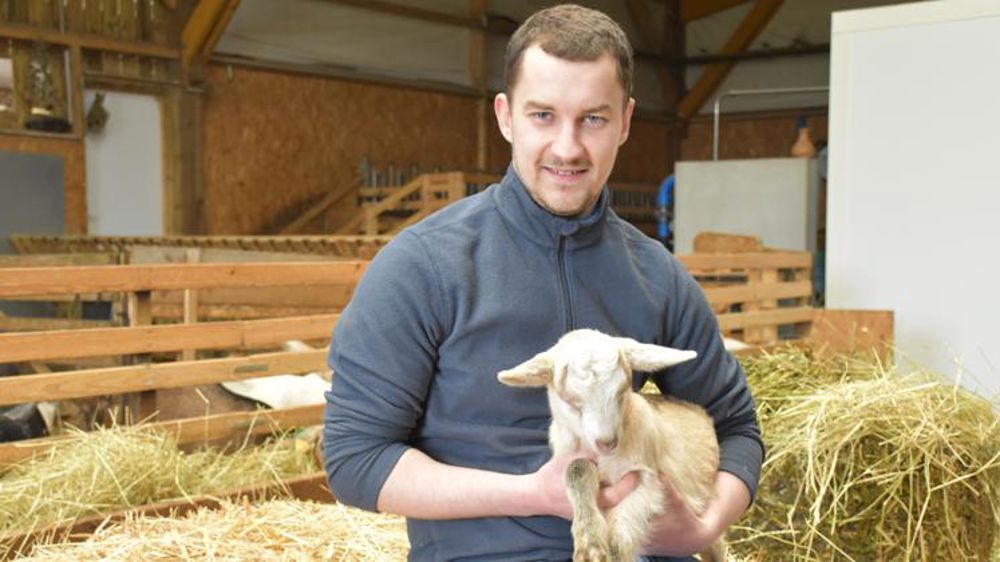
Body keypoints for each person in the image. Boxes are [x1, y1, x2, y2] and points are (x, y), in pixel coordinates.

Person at [323, 4, 763, 561]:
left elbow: (738, 428)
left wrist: (704, 529)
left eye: (593, 119)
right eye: (543, 116)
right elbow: (354, 459)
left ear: (625, 122)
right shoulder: (423, 268)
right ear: (506, 117)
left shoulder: (657, 275)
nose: (567, 148)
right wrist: (531, 494)